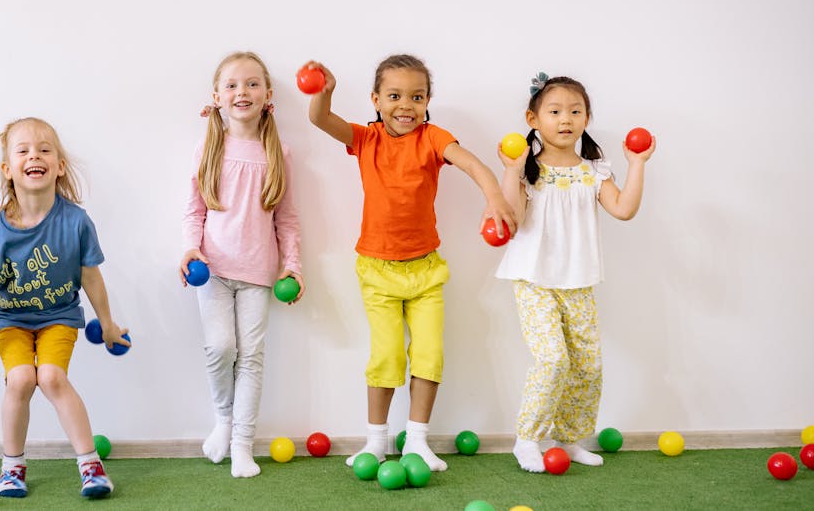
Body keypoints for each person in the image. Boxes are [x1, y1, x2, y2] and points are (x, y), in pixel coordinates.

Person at [306, 54, 515, 472]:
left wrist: (495, 198)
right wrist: (324, 93)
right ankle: (376, 442)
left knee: (430, 354)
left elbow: (472, 163)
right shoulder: (366, 139)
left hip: (425, 271)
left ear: (427, 101)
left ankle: (417, 440)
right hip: (377, 270)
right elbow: (320, 119)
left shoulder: (433, 138)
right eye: (395, 96)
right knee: (386, 357)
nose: (406, 105)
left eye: (417, 97)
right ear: (376, 99)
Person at [0, 117, 128, 499]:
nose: (34, 155)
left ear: (59, 166)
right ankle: (12, 468)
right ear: (8, 169)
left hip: (59, 317)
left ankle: (91, 467)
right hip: (11, 320)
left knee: (51, 377)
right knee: (21, 379)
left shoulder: (76, 222)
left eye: (44, 149)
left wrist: (107, 324)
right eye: (22, 150)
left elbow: (91, 278)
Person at [494, 73, 654, 472]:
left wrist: (636, 164)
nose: (565, 119)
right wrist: (511, 170)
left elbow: (624, 209)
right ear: (533, 119)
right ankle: (527, 438)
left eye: (575, 111)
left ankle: (567, 439)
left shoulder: (594, 170)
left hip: (578, 281)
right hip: (533, 279)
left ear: (587, 118)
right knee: (552, 360)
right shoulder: (529, 169)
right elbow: (512, 218)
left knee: (587, 365)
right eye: (554, 111)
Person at [180, 51, 303, 478]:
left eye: (252, 84)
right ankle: (224, 421)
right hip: (212, 270)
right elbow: (194, 211)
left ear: (268, 95)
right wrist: (190, 249)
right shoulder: (208, 148)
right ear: (217, 97)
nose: (242, 92)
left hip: (258, 273)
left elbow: (287, 218)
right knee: (220, 348)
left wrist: (293, 265)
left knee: (251, 356)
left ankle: (242, 446)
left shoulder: (278, 152)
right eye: (231, 85)